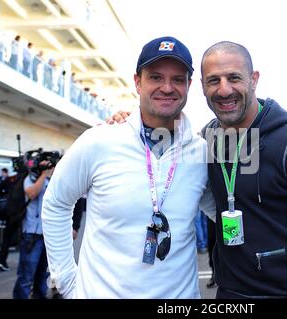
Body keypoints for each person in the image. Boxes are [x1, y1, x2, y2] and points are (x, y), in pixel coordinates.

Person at [110, 41, 287, 298]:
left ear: (254, 79)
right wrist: (130, 124)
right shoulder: (206, 141)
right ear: (202, 87)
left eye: (234, 78)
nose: (224, 90)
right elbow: (164, 150)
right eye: (213, 80)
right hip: (230, 295)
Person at [42, 36, 215, 299]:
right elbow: (56, 202)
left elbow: (224, 211)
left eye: (177, 79)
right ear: (137, 82)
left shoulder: (201, 152)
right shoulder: (99, 141)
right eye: (155, 77)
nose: (167, 87)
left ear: (189, 85)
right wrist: (66, 281)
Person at [13, 163, 53, 299]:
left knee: (43, 275)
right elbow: (31, 193)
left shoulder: (51, 181)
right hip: (31, 235)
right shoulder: (31, 179)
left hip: (47, 236)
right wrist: (43, 175)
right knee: (26, 277)